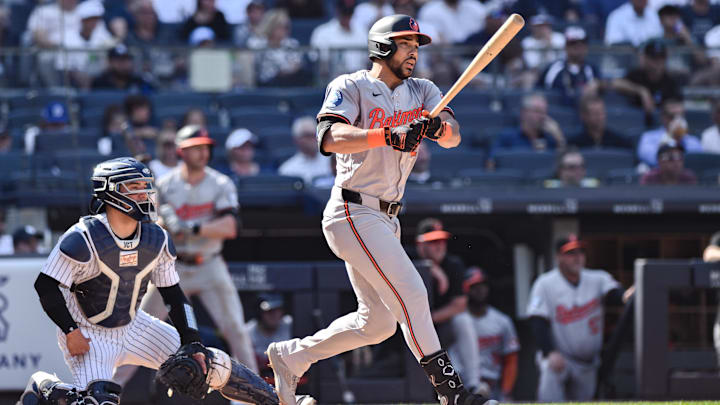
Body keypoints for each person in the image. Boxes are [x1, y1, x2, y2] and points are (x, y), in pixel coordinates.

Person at [265, 14, 496, 405]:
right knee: (413, 291)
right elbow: (329, 137)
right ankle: (452, 395)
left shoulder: (423, 89)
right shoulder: (351, 85)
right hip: (352, 210)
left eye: (417, 46)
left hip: (388, 217)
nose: (414, 53)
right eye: (406, 44)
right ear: (382, 47)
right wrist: (389, 134)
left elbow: (453, 136)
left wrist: (437, 129)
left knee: (376, 325)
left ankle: (292, 356)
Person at [19, 157, 299, 405]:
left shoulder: (157, 237)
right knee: (97, 401)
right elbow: (45, 285)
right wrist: (70, 331)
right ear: (110, 192)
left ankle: (279, 401)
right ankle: (48, 388)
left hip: (134, 324)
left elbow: (174, 294)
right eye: (135, 188)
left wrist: (192, 341)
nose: (145, 194)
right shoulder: (83, 237)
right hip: (89, 333)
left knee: (208, 363)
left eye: (146, 187)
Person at [141, 126, 259, 374]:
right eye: (196, 148)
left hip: (210, 264)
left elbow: (230, 227)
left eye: (205, 147)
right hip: (173, 266)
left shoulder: (220, 182)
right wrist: (165, 225)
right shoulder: (165, 184)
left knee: (236, 330)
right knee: (139, 330)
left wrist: (193, 228)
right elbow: (151, 227)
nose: (203, 152)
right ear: (181, 151)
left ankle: (254, 396)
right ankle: (107, 390)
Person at [527, 234, 633, 402]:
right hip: (561, 358)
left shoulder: (597, 278)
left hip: (587, 362)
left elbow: (615, 295)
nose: (577, 258)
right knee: (549, 370)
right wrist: (549, 352)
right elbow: (537, 320)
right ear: (559, 257)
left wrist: (626, 296)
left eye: (580, 252)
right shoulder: (545, 283)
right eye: (571, 253)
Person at [450, 268, 520, 402]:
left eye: (482, 285)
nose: (480, 290)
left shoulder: (501, 321)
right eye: (474, 286)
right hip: (462, 385)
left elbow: (511, 359)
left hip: (493, 386)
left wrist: (506, 391)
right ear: (465, 290)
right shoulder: (457, 321)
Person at [414, 218, 469, 347]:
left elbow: (459, 305)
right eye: (433, 241)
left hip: (439, 322)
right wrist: (429, 266)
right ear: (420, 244)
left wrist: (427, 321)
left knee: (463, 320)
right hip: (408, 324)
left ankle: (471, 368)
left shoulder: (453, 264)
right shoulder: (405, 256)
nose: (440, 246)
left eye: (442, 241)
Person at [488, 92, 565, 166]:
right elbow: (491, 163)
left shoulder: (550, 138)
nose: (543, 116)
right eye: (538, 111)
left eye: (544, 112)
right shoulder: (506, 137)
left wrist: (558, 136)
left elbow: (564, 166)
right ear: (524, 113)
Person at [612, 39, 682, 118]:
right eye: (653, 58)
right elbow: (616, 83)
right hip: (634, 121)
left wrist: (666, 108)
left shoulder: (670, 81)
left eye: (661, 57)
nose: (658, 62)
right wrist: (642, 91)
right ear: (645, 58)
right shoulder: (637, 74)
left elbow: (678, 106)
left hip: (662, 124)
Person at [55, 0, 116, 89]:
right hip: (74, 80)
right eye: (90, 19)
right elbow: (63, 67)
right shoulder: (68, 38)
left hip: (99, 78)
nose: (93, 23)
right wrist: (80, 76)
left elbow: (112, 49)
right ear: (82, 20)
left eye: (96, 19)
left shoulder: (101, 34)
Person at [537, 26, 600, 103]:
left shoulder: (592, 69)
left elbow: (603, 86)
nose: (578, 46)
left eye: (583, 43)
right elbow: (538, 91)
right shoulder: (553, 69)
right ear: (566, 46)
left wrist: (599, 85)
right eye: (573, 43)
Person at [637, 98, 702, 168]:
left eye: (681, 116)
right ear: (663, 117)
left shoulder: (693, 141)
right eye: (672, 116)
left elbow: (696, 162)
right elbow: (653, 160)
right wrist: (670, 137)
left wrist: (679, 140)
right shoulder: (648, 138)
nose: (678, 120)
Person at [310, 0, 367, 77]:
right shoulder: (322, 32)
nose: (347, 17)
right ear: (337, 11)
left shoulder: (362, 31)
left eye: (350, 13)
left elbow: (369, 60)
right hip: (333, 79)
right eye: (344, 13)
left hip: (360, 80)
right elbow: (316, 61)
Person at [248, 294, 293, 380]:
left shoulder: (290, 325)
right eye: (269, 311)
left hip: (288, 378)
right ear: (259, 313)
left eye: (277, 310)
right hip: (257, 380)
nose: (274, 315)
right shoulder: (248, 331)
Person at [279, 116, 332, 184]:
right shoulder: (287, 170)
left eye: (315, 134)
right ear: (297, 140)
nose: (314, 139)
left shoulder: (333, 162)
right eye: (308, 135)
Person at [567, 96, 634, 150]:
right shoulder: (574, 143)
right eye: (595, 113)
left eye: (602, 113)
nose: (600, 117)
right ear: (583, 116)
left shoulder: (620, 142)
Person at [417, 0, 486, 44]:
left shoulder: (475, 6)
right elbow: (431, 39)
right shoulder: (429, 10)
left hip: (475, 54)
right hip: (446, 59)